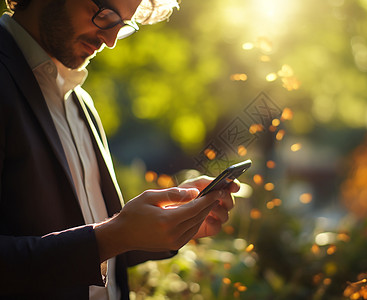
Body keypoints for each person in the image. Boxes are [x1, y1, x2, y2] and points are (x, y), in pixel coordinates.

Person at [0, 0, 238, 299]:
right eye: (106, 16)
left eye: (123, 25)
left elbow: (92, 246)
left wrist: (168, 224)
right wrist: (114, 235)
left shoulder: (79, 100)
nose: (110, 41)